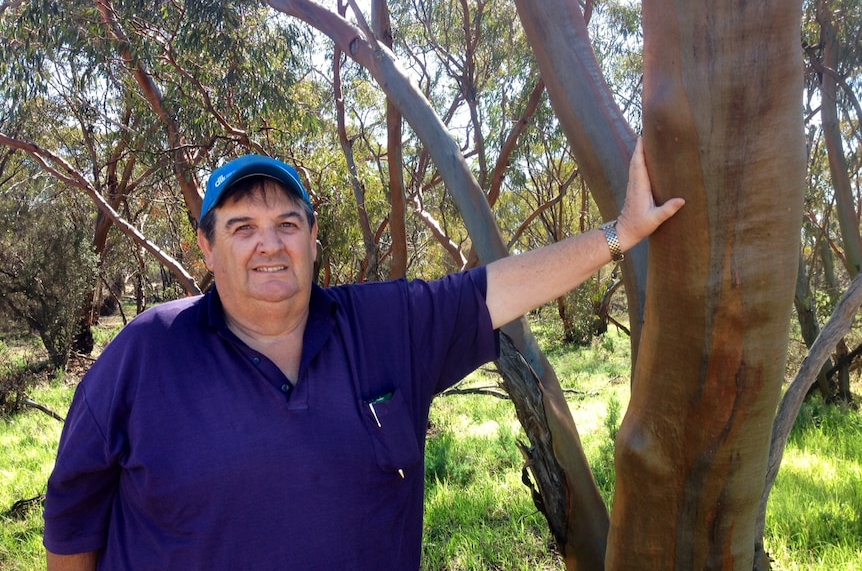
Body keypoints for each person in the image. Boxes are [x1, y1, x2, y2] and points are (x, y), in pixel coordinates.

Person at [43, 138, 683, 570]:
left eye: (287, 224)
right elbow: (72, 517)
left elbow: (501, 287)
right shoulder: (146, 353)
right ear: (207, 250)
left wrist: (619, 234)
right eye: (241, 229)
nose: (269, 245)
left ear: (313, 239)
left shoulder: (384, 325)